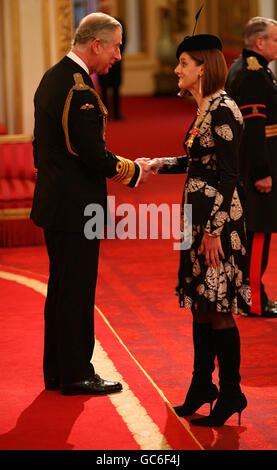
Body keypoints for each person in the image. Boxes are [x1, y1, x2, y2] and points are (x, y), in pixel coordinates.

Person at [30, 12, 150, 396]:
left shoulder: (54, 75)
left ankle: (58, 371)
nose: (118, 55)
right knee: (77, 292)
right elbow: (93, 154)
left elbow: (42, 147)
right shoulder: (77, 89)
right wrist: (133, 171)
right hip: (76, 207)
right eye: (115, 46)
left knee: (63, 289)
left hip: (56, 202)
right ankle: (78, 373)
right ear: (96, 44)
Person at [149, 34, 250, 426]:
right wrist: (161, 163)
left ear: (202, 68)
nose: (177, 70)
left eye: (184, 63)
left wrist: (212, 231)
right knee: (201, 306)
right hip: (196, 218)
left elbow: (229, 176)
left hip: (217, 224)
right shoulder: (205, 108)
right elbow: (201, 161)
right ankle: (201, 386)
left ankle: (231, 393)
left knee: (219, 308)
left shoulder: (224, 108)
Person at [226, 17, 277, 318]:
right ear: (260, 43)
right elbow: (255, 128)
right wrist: (262, 172)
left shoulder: (247, 67)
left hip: (254, 163)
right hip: (257, 167)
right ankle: (252, 300)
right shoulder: (253, 74)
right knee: (258, 233)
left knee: (256, 234)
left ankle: (251, 295)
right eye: (274, 38)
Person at [98, 1, 125, 120]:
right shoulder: (97, 26)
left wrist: (114, 55)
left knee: (116, 88)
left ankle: (117, 114)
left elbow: (123, 41)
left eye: (107, 8)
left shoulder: (118, 24)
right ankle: (105, 115)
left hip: (116, 62)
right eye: (104, 9)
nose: (106, 11)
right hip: (102, 61)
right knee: (103, 90)